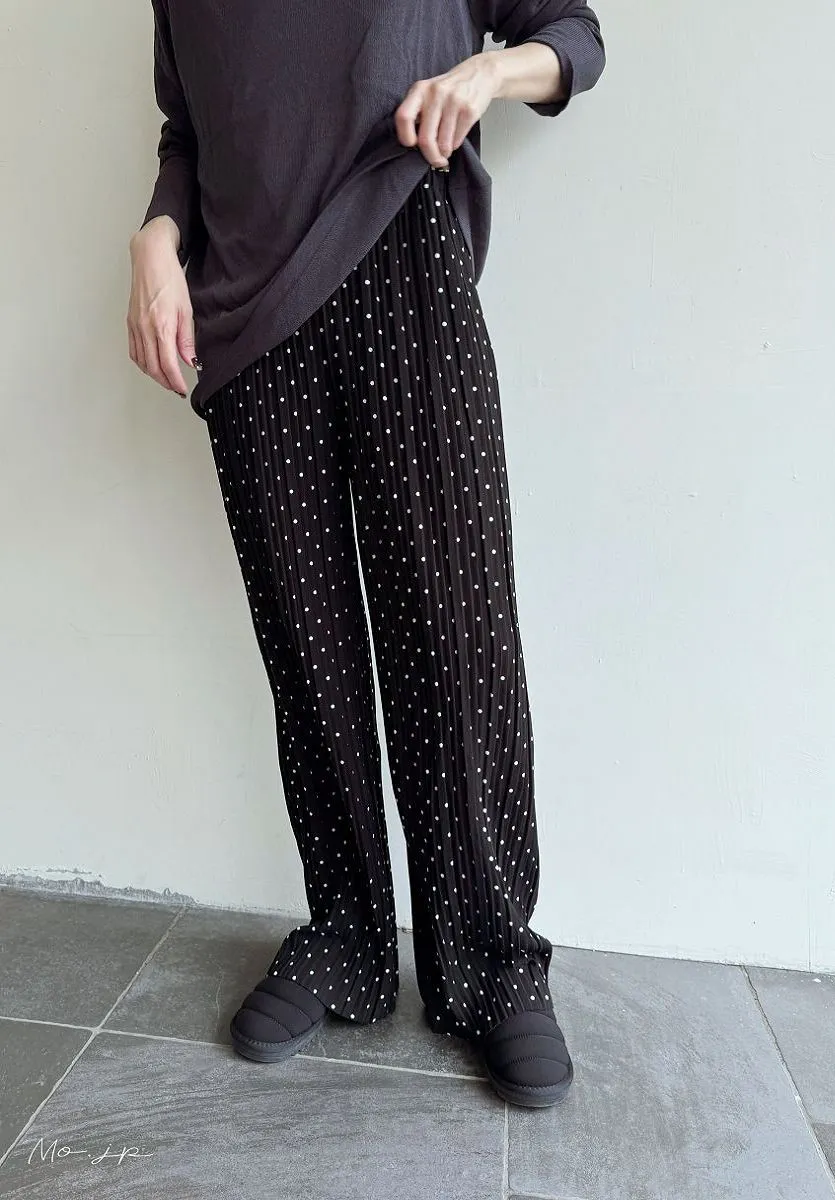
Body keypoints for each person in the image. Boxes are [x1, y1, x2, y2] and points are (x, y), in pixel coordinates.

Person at [127, 1, 605, 1109]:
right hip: (243, 309)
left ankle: (491, 959)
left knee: (456, 636)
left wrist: (487, 76)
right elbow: (187, 131)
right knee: (308, 652)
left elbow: (573, 36)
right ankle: (345, 938)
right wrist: (156, 232)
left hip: (402, 247)